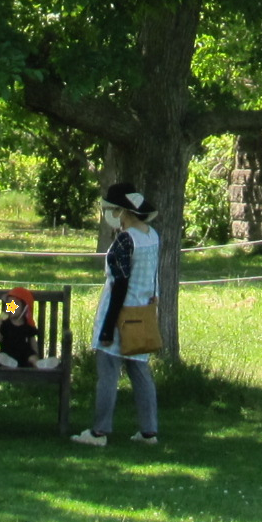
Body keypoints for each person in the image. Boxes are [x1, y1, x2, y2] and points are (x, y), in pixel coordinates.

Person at [72, 182, 161, 447]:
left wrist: (108, 328)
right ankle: (149, 432)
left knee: (108, 374)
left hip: (120, 314)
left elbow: (120, 285)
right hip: (142, 313)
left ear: (123, 212)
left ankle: (99, 432)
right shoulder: (152, 235)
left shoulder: (125, 240)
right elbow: (154, 274)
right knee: (140, 372)